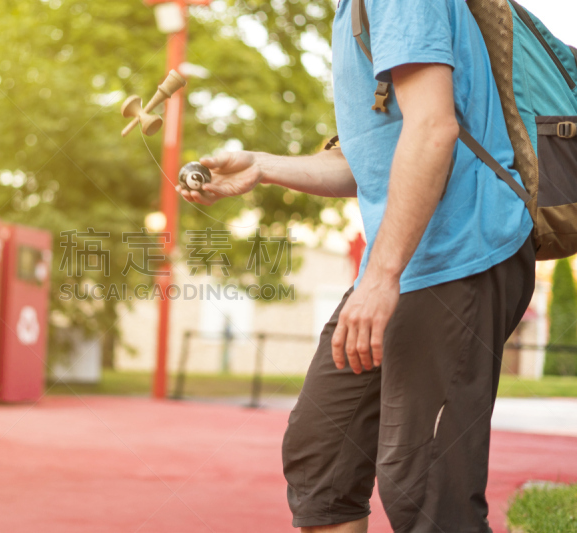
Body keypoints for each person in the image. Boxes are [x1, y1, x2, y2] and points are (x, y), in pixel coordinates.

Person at [176, 0, 535, 531]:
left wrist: (380, 278)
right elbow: (370, 158)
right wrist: (263, 167)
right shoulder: (353, 10)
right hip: (407, 263)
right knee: (323, 457)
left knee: (425, 489)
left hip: (460, 252)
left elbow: (435, 129)